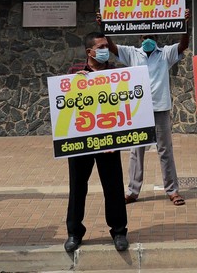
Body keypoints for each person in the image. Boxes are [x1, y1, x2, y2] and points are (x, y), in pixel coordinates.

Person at [105, 9, 190, 206]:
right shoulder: (132, 53)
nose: (148, 39)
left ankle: (173, 190)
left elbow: (183, 45)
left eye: (151, 36)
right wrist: (105, 27)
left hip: (160, 108)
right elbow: (112, 48)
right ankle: (133, 191)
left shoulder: (165, 53)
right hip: (138, 110)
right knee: (136, 151)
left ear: (157, 37)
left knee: (165, 150)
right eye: (144, 36)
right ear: (139, 37)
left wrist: (185, 25)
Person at [63, 32, 129, 253]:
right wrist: (74, 84)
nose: (105, 50)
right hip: (81, 141)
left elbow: (124, 105)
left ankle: (119, 231)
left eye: (106, 46)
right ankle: (74, 232)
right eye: (100, 46)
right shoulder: (74, 73)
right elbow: (64, 106)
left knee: (113, 186)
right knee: (77, 187)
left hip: (109, 141)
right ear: (89, 52)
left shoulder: (116, 74)